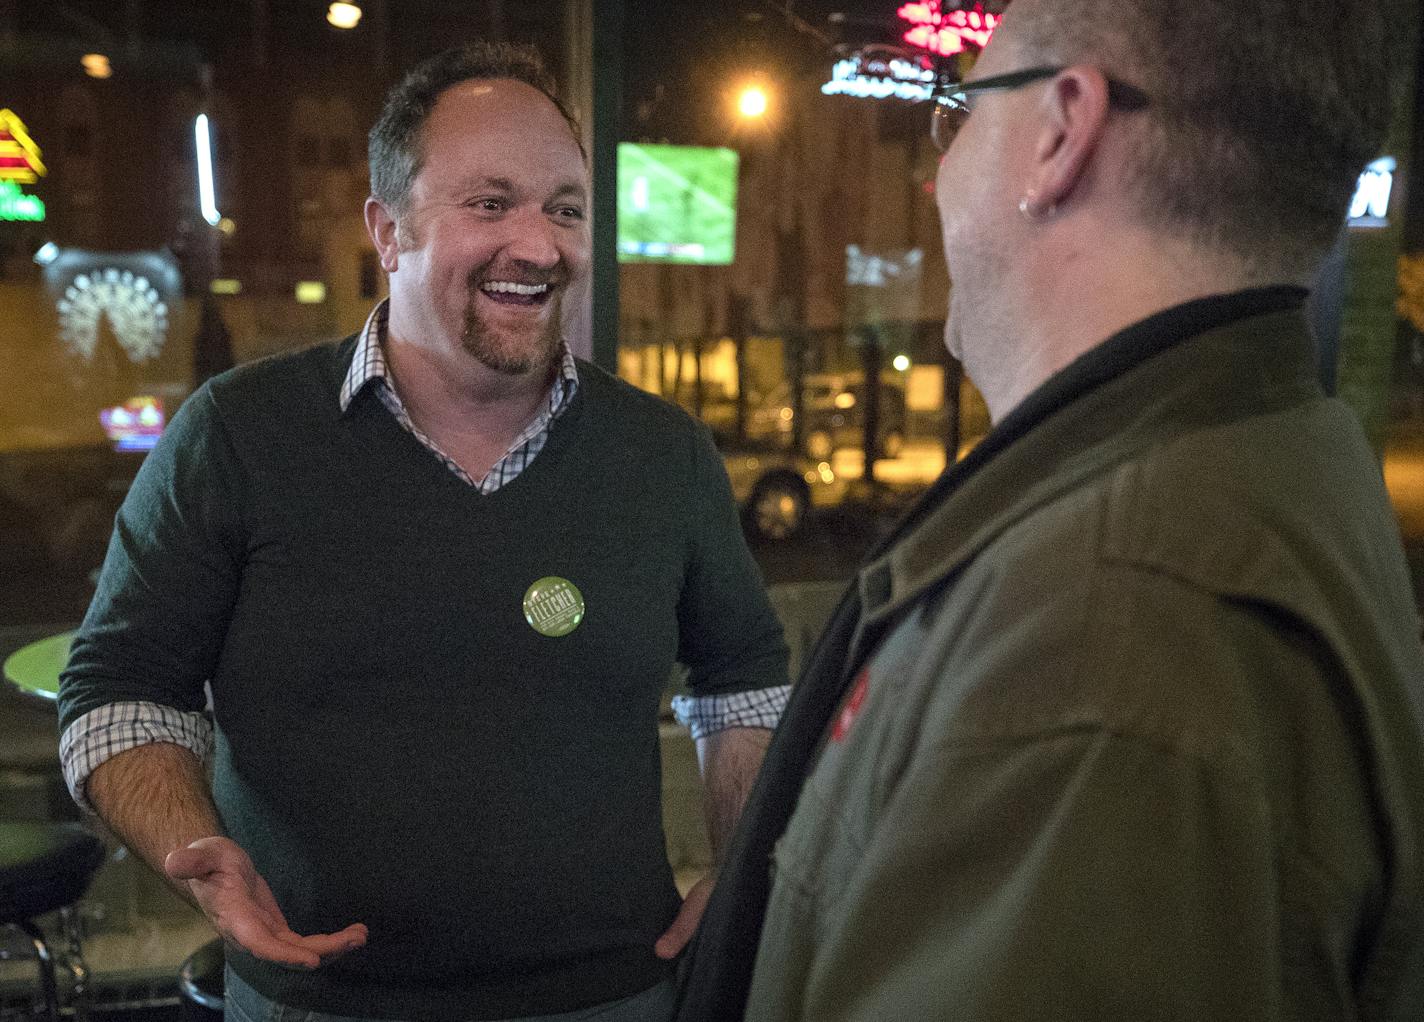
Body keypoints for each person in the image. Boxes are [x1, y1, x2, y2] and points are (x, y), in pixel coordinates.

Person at [676, 0, 1424, 1018]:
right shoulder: (1269, 455)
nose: (938, 170)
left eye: (963, 111)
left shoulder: (1100, 630)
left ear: (1058, 133)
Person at [57, 42, 790, 1022]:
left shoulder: (662, 455)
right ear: (386, 230)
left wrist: (747, 867)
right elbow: (118, 686)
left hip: (612, 993)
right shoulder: (237, 434)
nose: (539, 244)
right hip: (314, 999)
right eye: (489, 204)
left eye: (564, 208)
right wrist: (195, 850)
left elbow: (744, 675)